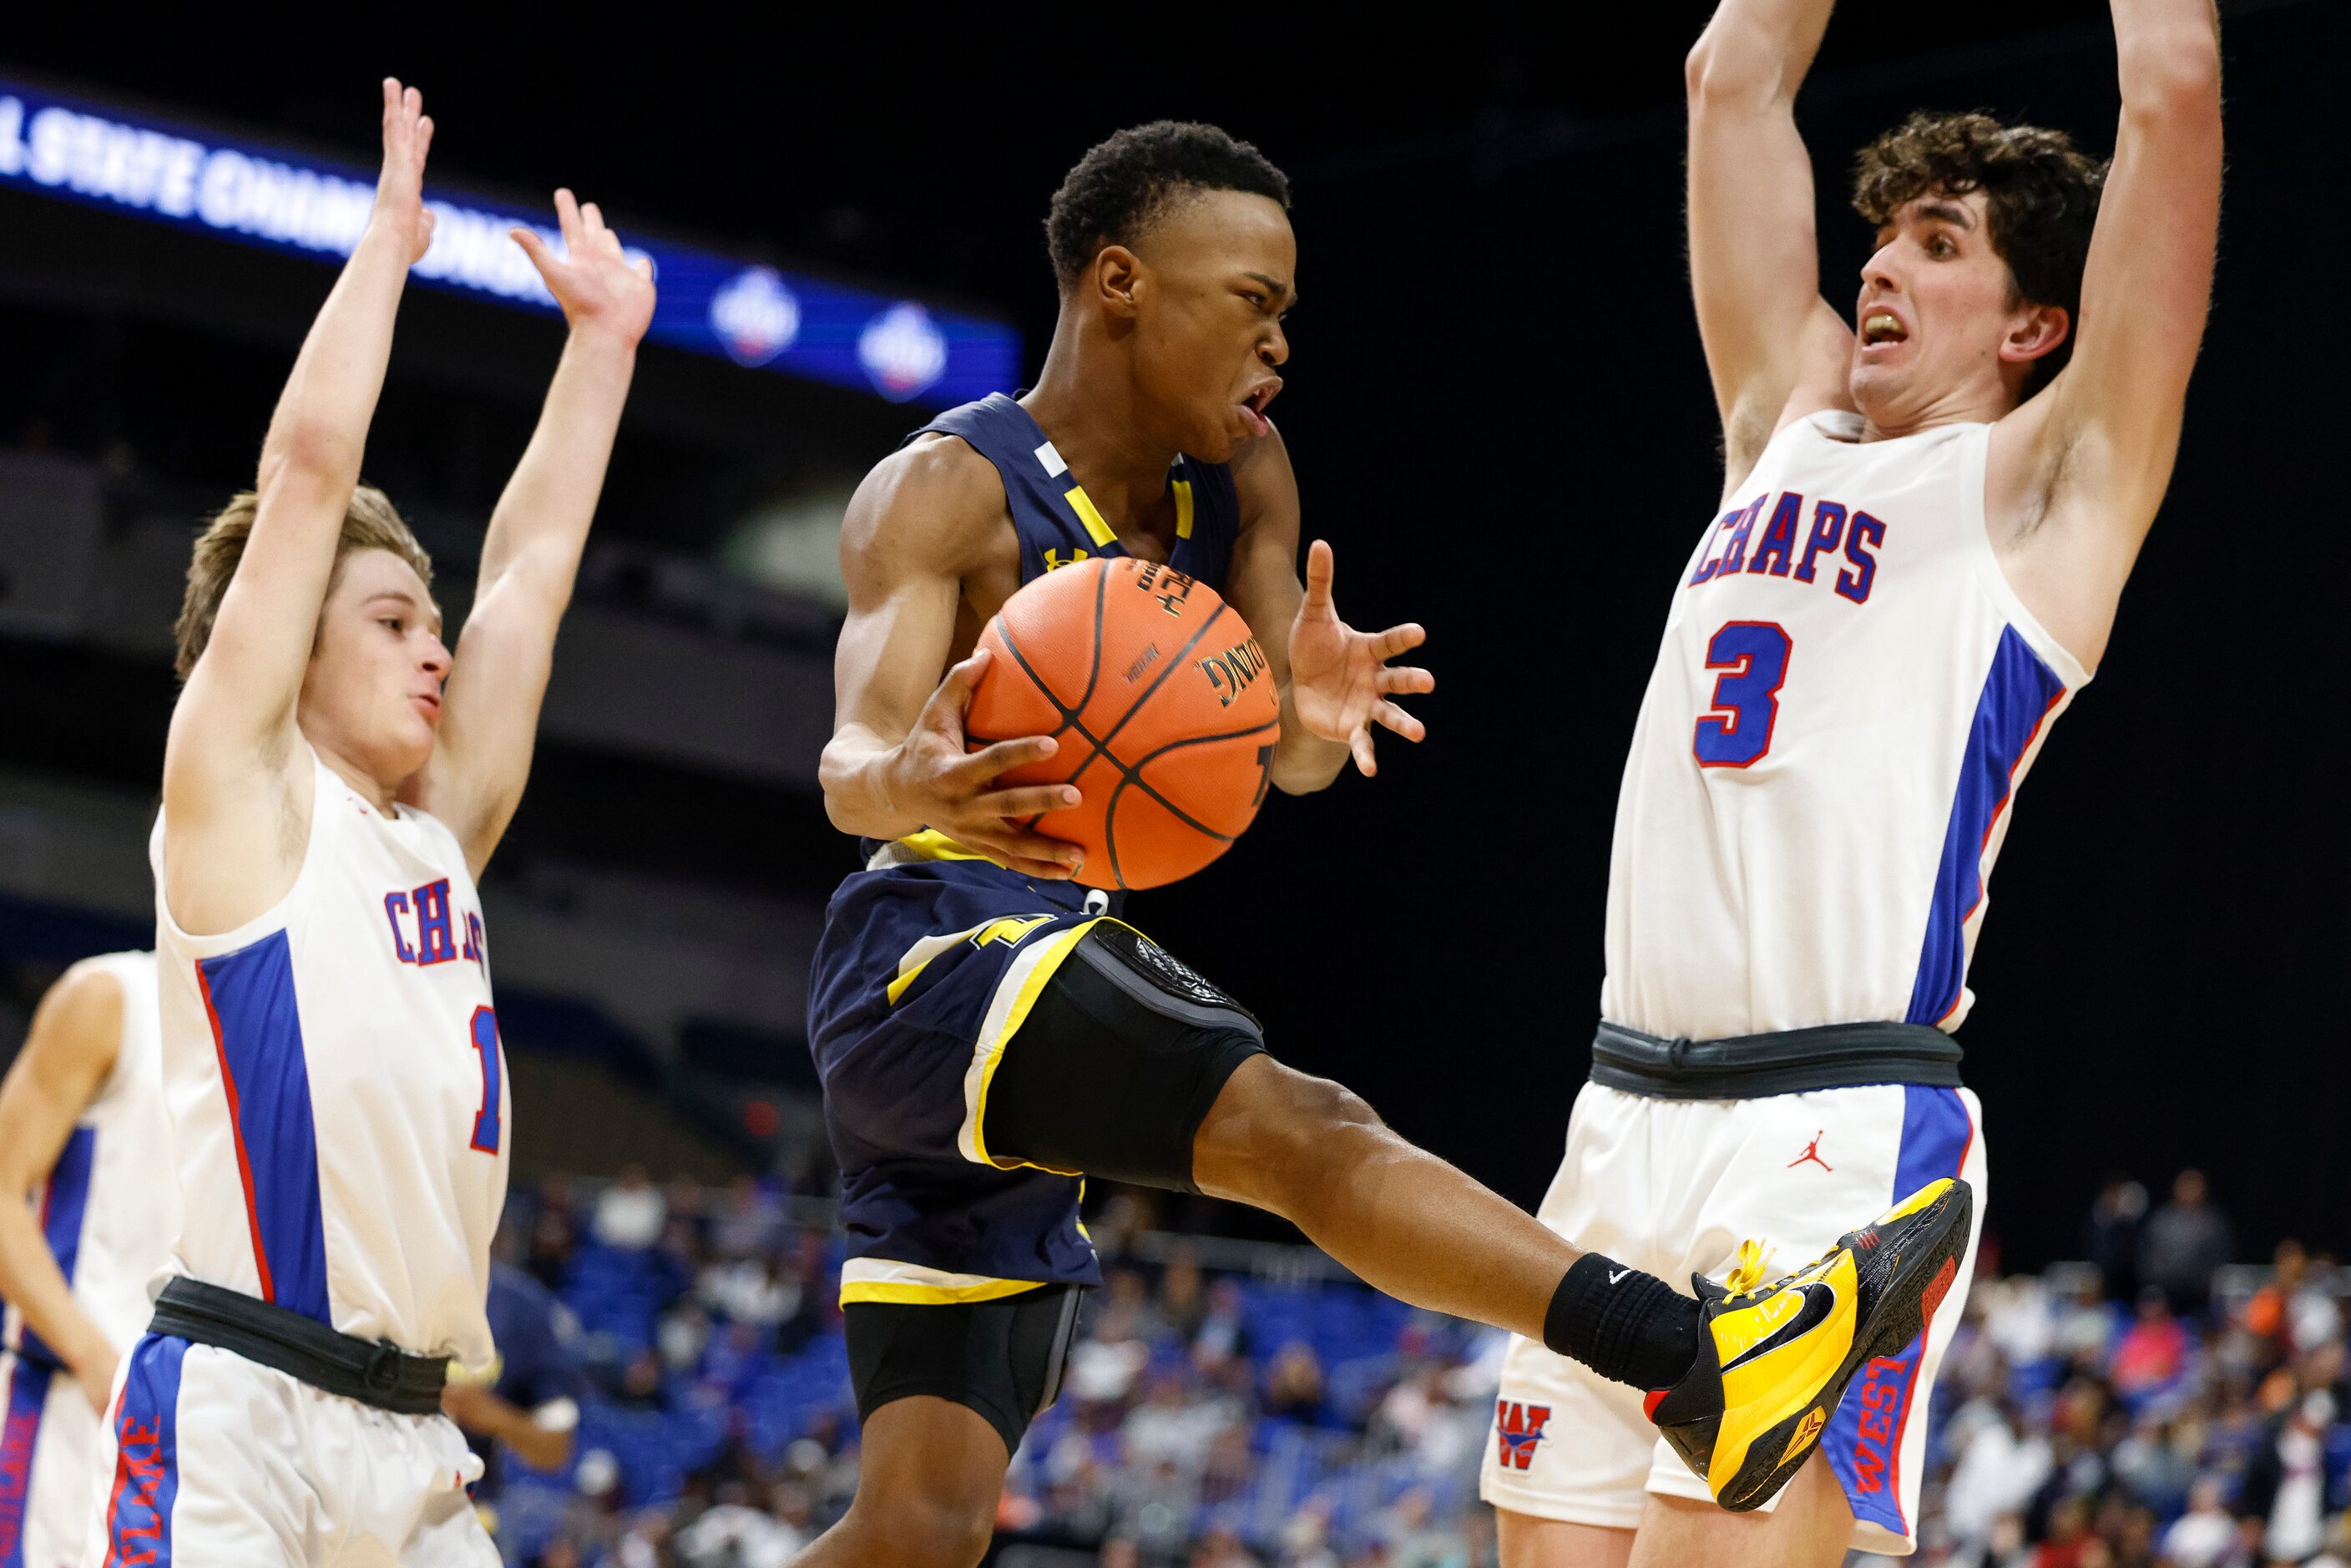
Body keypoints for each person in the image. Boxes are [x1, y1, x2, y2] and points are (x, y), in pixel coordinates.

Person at [801, 120, 1969, 1568]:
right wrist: (900, 767)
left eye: (1289, 308)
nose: (1281, 337)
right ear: (1120, 282)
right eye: (1251, 299)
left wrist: (1308, 711)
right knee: (1306, 1130)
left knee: (920, 1524)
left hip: (1035, 981)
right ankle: (1692, 1360)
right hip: (928, 950)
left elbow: (1270, 761)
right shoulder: (946, 489)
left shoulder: (1245, 478)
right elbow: (847, 762)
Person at [1482, 0, 2222, 1560]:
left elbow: (2172, 87)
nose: (1878, 263)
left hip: (1829, 1133)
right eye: (1880, 237)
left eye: (1937, 244)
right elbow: (1730, 75)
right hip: (1619, 1114)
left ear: (2035, 323)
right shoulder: (1779, 429)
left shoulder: (2052, 489)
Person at [83, 79, 655, 1566]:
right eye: (392, 617)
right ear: (284, 649)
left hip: (413, 1441)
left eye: (429, 623)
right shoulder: (239, 796)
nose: (434, 648)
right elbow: (308, 475)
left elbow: (529, 576)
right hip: (240, 1415)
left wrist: (601, 349)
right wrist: (387, 247)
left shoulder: (439, 832)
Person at [0, 952, 169, 1568]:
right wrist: (98, 1360)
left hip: (209, 1437)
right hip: (69, 1412)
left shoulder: (282, 1034)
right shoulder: (112, 998)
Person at [442, 1260, 593, 1519]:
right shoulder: (379, 1285)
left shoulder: (522, 1306)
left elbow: (557, 1448)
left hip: (471, 1511)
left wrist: (493, 1415)